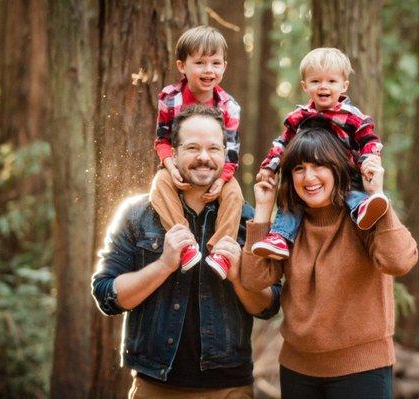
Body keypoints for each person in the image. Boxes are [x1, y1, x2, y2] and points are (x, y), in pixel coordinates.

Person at [92, 105, 281, 398]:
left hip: (229, 388)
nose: (204, 157)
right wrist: (164, 265)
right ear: (174, 154)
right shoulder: (136, 214)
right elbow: (107, 296)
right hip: (154, 386)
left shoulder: (247, 221)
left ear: (224, 154)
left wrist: (237, 276)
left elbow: (268, 306)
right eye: (192, 147)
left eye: (213, 148)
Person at [241, 122, 418, 398]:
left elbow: (399, 261)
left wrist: (377, 196)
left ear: (337, 168)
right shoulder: (287, 227)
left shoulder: (364, 217)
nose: (308, 177)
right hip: (297, 370)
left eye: (318, 165)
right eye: (299, 168)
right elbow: (254, 279)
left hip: (362, 370)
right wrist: (263, 210)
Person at [252, 48, 388, 260]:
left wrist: (369, 161)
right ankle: (279, 236)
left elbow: (369, 140)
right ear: (305, 86)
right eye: (316, 81)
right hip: (310, 174)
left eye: (331, 82)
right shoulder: (298, 117)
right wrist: (270, 166)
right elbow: (281, 143)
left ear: (344, 86)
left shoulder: (353, 117)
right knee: (291, 199)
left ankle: (363, 210)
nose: (323, 86)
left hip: (346, 174)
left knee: (352, 191)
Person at [150, 25, 243, 278]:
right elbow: (162, 140)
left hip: (216, 170)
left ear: (224, 66)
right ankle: (185, 244)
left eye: (216, 63)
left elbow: (231, 151)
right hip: (178, 167)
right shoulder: (170, 98)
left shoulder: (229, 107)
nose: (208, 70)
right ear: (182, 65)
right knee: (159, 184)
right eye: (200, 63)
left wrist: (223, 180)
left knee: (234, 195)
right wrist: (169, 165)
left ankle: (222, 252)